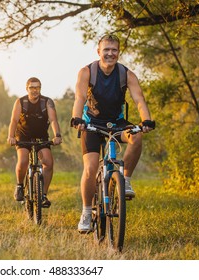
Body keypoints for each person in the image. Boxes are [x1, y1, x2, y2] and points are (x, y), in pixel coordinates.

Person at [71, 34, 155, 233]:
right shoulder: (87, 72)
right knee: (91, 168)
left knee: (136, 137)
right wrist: (77, 118)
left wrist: (146, 120)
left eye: (114, 50)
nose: (110, 53)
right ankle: (86, 211)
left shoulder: (126, 74)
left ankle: (124, 179)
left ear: (118, 52)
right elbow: (80, 97)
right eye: (106, 49)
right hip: (91, 124)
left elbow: (139, 100)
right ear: (98, 51)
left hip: (116, 123)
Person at [7, 77, 62, 208]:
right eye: (32, 87)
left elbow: (53, 120)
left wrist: (57, 135)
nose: (35, 90)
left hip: (41, 137)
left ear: (40, 89)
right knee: (23, 161)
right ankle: (20, 186)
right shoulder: (21, 102)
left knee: (48, 162)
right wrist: (11, 136)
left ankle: (43, 195)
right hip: (23, 136)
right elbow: (14, 121)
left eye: (37, 87)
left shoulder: (47, 102)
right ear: (27, 88)